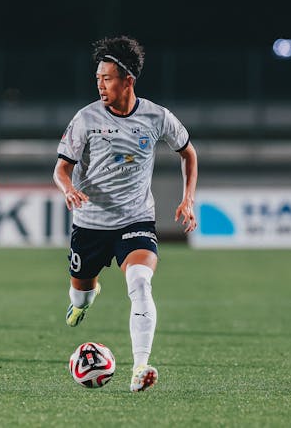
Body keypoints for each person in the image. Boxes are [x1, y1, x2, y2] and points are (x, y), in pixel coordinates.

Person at [53, 36, 198, 392]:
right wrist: (68, 188)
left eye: (107, 78)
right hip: (90, 224)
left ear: (128, 80)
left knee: (140, 283)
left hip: (136, 220)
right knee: (80, 293)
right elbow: (61, 169)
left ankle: (140, 367)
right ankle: (83, 302)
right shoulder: (86, 118)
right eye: (98, 78)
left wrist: (188, 199)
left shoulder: (157, 116)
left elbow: (188, 153)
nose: (100, 85)